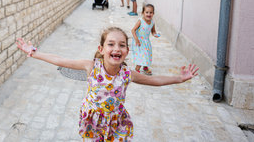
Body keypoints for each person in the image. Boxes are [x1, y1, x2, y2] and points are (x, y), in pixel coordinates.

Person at [16, 27, 199, 141]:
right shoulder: (91, 67)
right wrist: (34, 52)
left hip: (116, 123)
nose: (116, 49)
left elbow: (154, 80)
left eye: (122, 45)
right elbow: (60, 60)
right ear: (101, 50)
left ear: (127, 51)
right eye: (111, 44)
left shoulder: (128, 74)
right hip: (92, 122)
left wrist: (179, 78)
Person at [131, 4, 160, 75]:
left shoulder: (152, 22)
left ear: (153, 13)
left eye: (151, 12)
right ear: (143, 13)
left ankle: (145, 67)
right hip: (139, 41)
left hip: (146, 42)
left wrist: (155, 34)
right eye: (147, 12)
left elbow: (153, 31)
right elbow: (133, 30)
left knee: (147, 54)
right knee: (141, 56)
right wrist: (136, 40)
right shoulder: (140, 21)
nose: (149, 14)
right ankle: (137, 69)